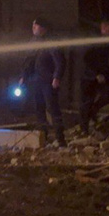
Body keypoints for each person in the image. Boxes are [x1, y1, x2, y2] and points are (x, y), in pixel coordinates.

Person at [20, 17, 67, 147]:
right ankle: (43, 138)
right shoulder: (33, 42)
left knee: (53, 109)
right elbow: (28, 61)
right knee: (39, 109)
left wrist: (57, 77)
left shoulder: (51, 41)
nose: (33, 28)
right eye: (33, 26)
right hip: (35, 81)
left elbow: (59, 60)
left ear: (43, 28)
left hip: (48, 81)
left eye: (36, 26)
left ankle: (61, 140)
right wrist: (24, 76)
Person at [79, 19, 109, 135]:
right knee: (87, 101)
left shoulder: (105, 42)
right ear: (103, 28)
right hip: (89, 76)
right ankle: (84, 129)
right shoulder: (95, 41)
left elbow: (103, 61)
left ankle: (93, 112)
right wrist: (95, 74)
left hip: (100, 74)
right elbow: (87, 59)